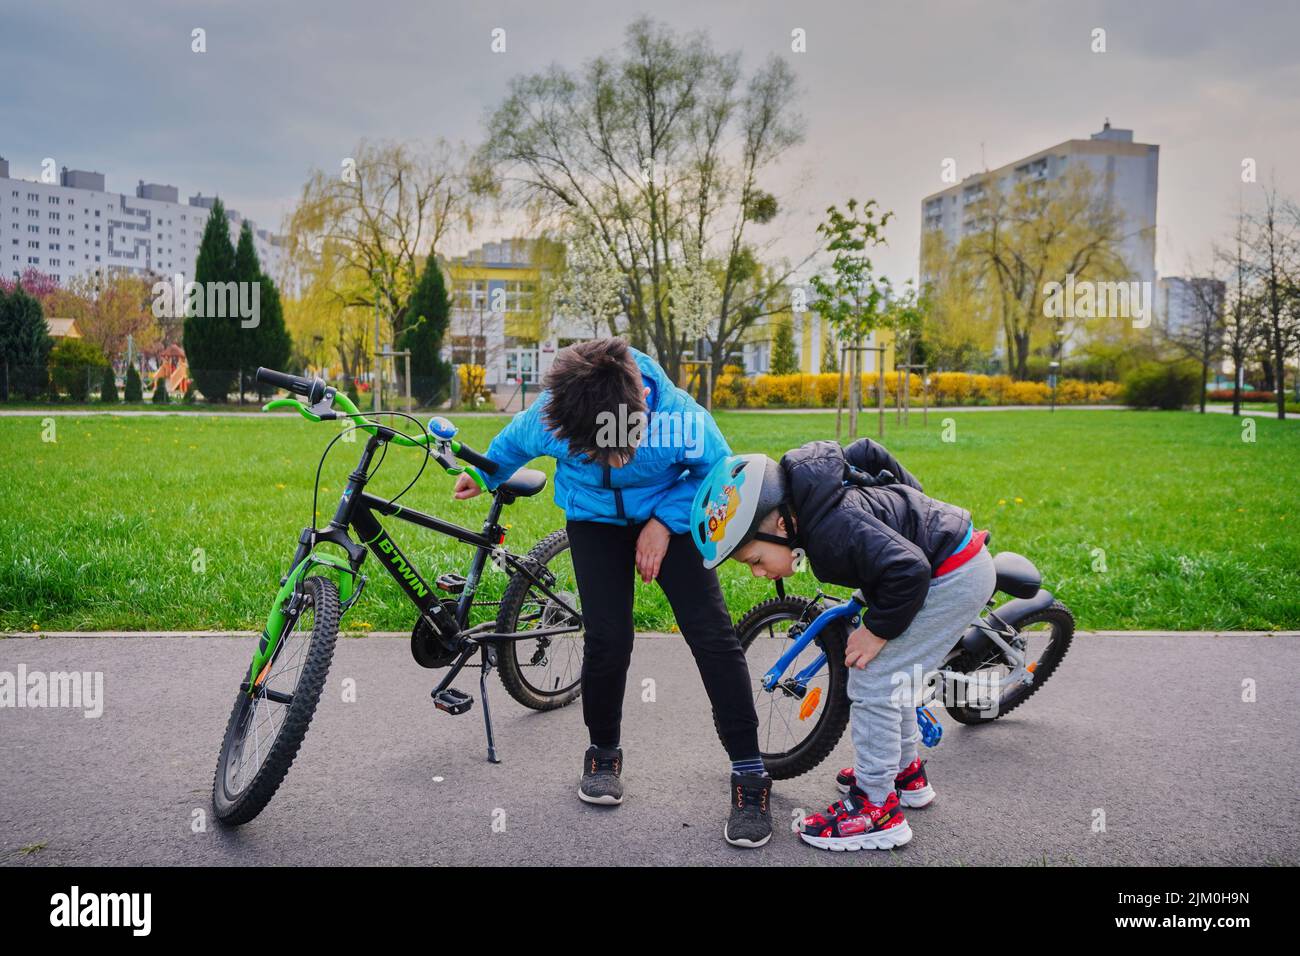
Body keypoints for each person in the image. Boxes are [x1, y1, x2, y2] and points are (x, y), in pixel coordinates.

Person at [452, 338, 773, 848]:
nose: (610, 460)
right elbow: (509, 449)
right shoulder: (553, 414)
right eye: (590, 450)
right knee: (608, 638)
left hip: (673, 518)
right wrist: (481, 474)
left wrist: (664, 524)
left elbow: (718, 477)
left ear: (641, 407)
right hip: (594, 522)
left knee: (711, 636)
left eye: (614, 447)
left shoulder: (680, 419)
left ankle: (750, 773)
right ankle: (603, 753)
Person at [689, 438, 995, 851]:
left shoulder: (830, 533)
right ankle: (903, 775)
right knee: (894, 674)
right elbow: (869, 451)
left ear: (782, 525)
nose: (760, 574)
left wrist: (878, 629)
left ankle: (876, 808)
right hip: (947, 561)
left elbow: (908, 570)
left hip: (948, 576)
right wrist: (917, 508)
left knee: (874, 678)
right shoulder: (815, 493)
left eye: (756, 561)